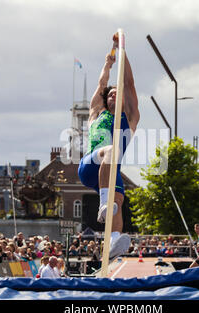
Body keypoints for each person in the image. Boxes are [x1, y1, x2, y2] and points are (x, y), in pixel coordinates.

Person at [78, 32, 139, 260]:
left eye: (117, 94)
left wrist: (123, 51)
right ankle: (104, 204)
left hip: (111, 170)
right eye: (110, 95)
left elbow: (129, 83)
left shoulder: (130, 118)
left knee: (120, 201)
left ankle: (113, 241)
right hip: (90, 165)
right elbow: (102, 83)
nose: (112, 95)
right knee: (111, 150)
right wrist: (109, 61)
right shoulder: (96, 113)